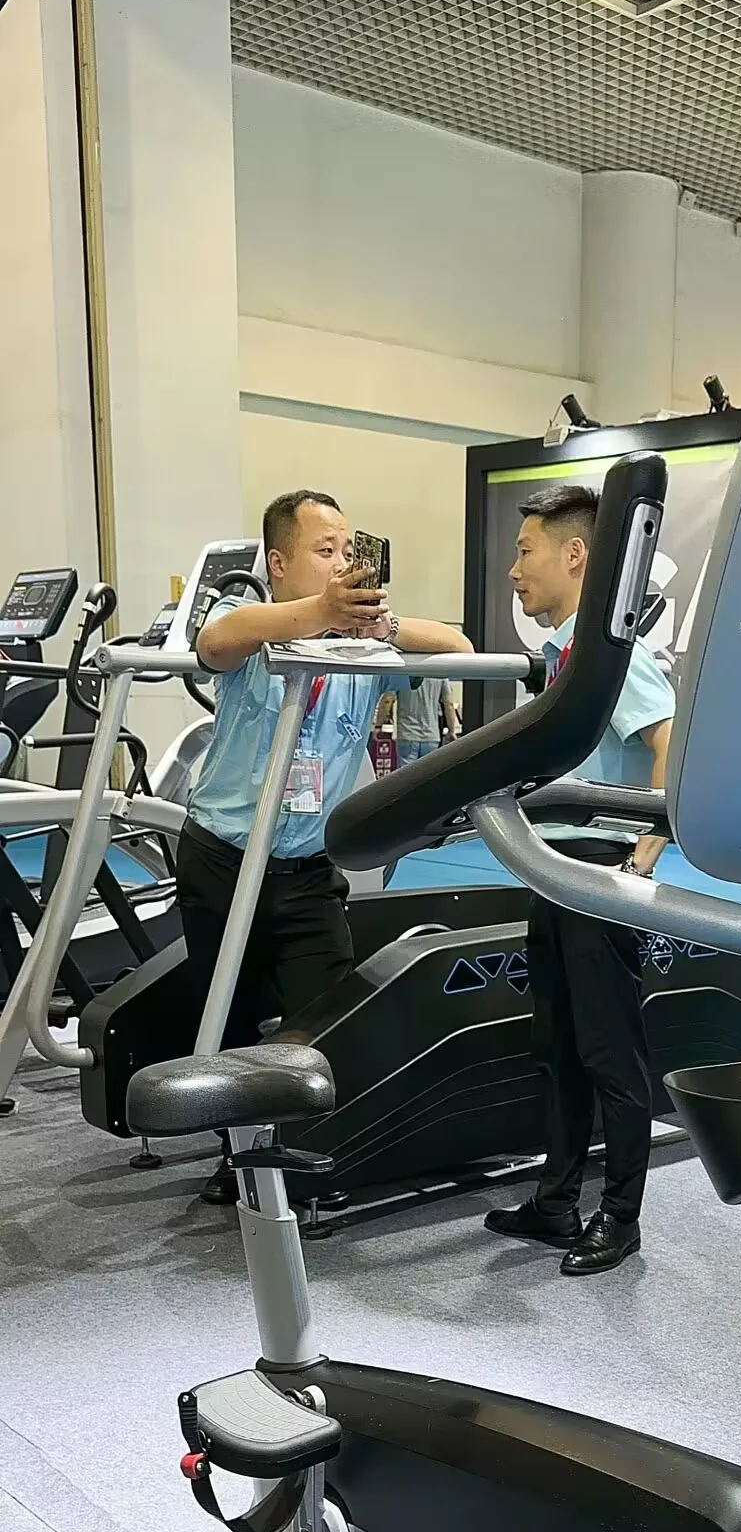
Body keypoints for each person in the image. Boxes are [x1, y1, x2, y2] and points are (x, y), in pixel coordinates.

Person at [180, 487, 471, 1201]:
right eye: (324, 550)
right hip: (223, 859)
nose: (342, 562)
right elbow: (214, 642)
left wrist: (379, 625)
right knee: (228, 1012)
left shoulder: (366, 646)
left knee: (325, 1016)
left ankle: (306, 1150)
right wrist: (320, 613)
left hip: (308, 871)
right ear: (279, 562)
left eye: (347, 550)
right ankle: (237, 1154)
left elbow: (460, 647)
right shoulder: (248, 622)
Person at [483, 482, 675, 1276]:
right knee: (558, 1047)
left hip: (597, 874)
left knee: (608, 1053)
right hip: (552, 869)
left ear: (574, 555)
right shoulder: (564, 658)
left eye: (524, 551)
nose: (513, 570)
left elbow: (670, 746)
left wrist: (643, 854)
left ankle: (620, 1219)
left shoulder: (613, 659)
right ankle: (555, 1203)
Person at [374, 673, 459, 763]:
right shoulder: (439, 674)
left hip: (407, 734)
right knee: (429, 771)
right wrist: (451, 731)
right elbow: (449, 704)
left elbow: (387, 700)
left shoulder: (403, 673)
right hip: (431, 736)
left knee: (408, 772)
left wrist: (378, 725)